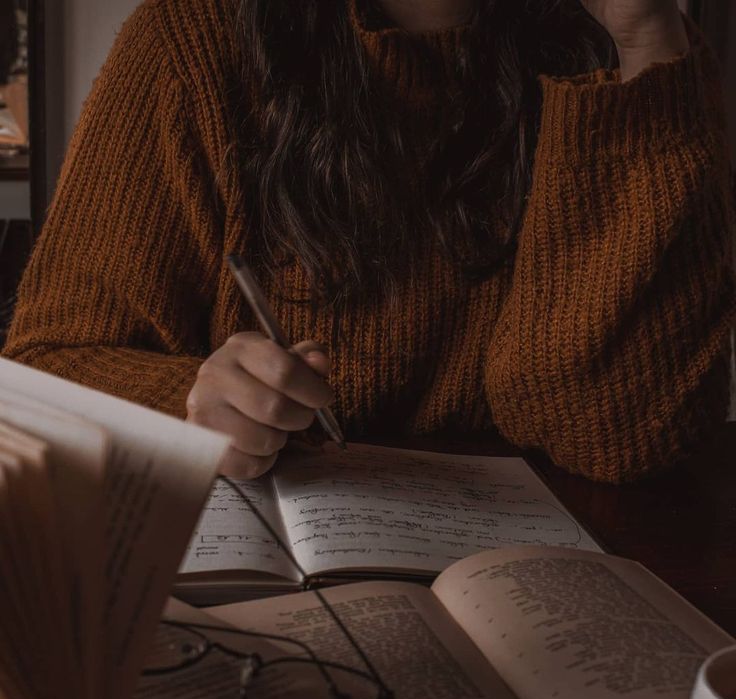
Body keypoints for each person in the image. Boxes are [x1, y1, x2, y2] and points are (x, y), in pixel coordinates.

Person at [3, 0, 734, 482]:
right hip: (259, 580)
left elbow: (610, 437)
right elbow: (43, 369)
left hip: (537, 579)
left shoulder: (626, 54)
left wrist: (642, 37)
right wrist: (188, 403)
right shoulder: (194, 38)